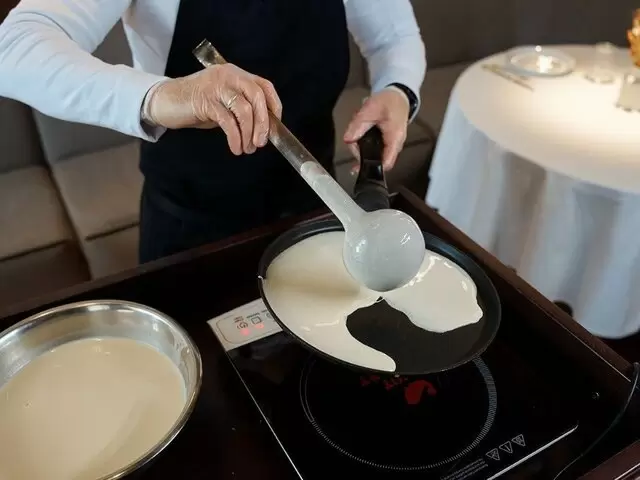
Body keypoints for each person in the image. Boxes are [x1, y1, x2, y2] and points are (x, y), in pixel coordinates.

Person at [0, 0, 426, 263]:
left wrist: (397, 89)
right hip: (190, 226)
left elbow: (394, 38)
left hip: (314, 210)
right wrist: (165, 96)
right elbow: (15, 46)